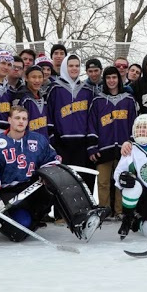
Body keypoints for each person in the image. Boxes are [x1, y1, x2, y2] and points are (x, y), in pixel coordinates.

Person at [0, 105, 62, 240]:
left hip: (31, 188)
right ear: (9, 120)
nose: (21, 121)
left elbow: (53, 159)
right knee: (20, 229)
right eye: (17, 118)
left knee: (56, 188)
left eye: (24, 119)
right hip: (8, 192)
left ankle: (78, 218)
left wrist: (46, 175)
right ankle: (21, 222)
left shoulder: (38, 140)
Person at [87, 66, 137, 216]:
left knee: (121, 181)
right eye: (108, 78)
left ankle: (120, 211)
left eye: (114, 77)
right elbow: (92, 124)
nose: (111, 80)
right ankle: (105, 211)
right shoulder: (97, 100)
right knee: (103, 182)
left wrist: (131, 141)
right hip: (104, 148)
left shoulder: (128, 100)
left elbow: (134, 123)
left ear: (119, 79)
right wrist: (92, 147)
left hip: (124, 148)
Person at [46, 53, 96, 192]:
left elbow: (92, 117)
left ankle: (85, 206)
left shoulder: (87, 90)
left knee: (83, 181)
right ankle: (62, 207)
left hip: (82, 143)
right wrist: (53, 139)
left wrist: (91, 141)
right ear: (64, 67)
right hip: (62, 143)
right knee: (64, 181)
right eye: (71, 66)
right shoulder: (54, 88)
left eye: (77, 66)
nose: (74, 68)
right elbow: (48, 114)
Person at [14, 65, 50, 138]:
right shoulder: (22, 97)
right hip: (27, 141)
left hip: (43, 141)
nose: (37, 80)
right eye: (33, 77)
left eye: (40, 77)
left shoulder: (44, 98)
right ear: (26, 78)